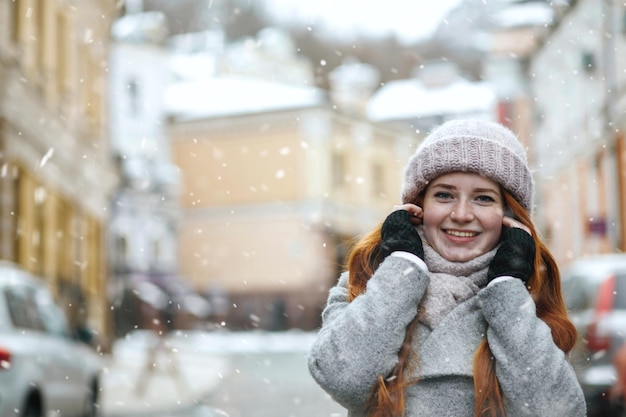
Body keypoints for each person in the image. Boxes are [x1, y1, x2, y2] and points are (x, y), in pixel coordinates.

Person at [307, 118, 586, 417]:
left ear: (509, 216)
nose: (462, 214)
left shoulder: (530, 295)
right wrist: (403, 267)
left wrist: (506, 290)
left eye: (483, 198)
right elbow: (341, 378)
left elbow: (558, 411)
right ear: (419, 206)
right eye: (444, 195)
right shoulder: (367, 281)